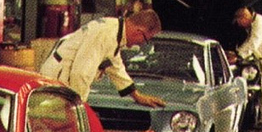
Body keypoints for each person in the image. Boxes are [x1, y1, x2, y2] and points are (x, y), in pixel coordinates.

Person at [39, 9, 167, 107]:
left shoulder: (115, 30)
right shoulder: (105, 34)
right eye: (145, 40)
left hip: (61, 79)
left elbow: (115, 66)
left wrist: (137, 95)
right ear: (139, 31)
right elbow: (81, 73)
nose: (142, 44)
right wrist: (79, 107)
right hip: (57, 81)